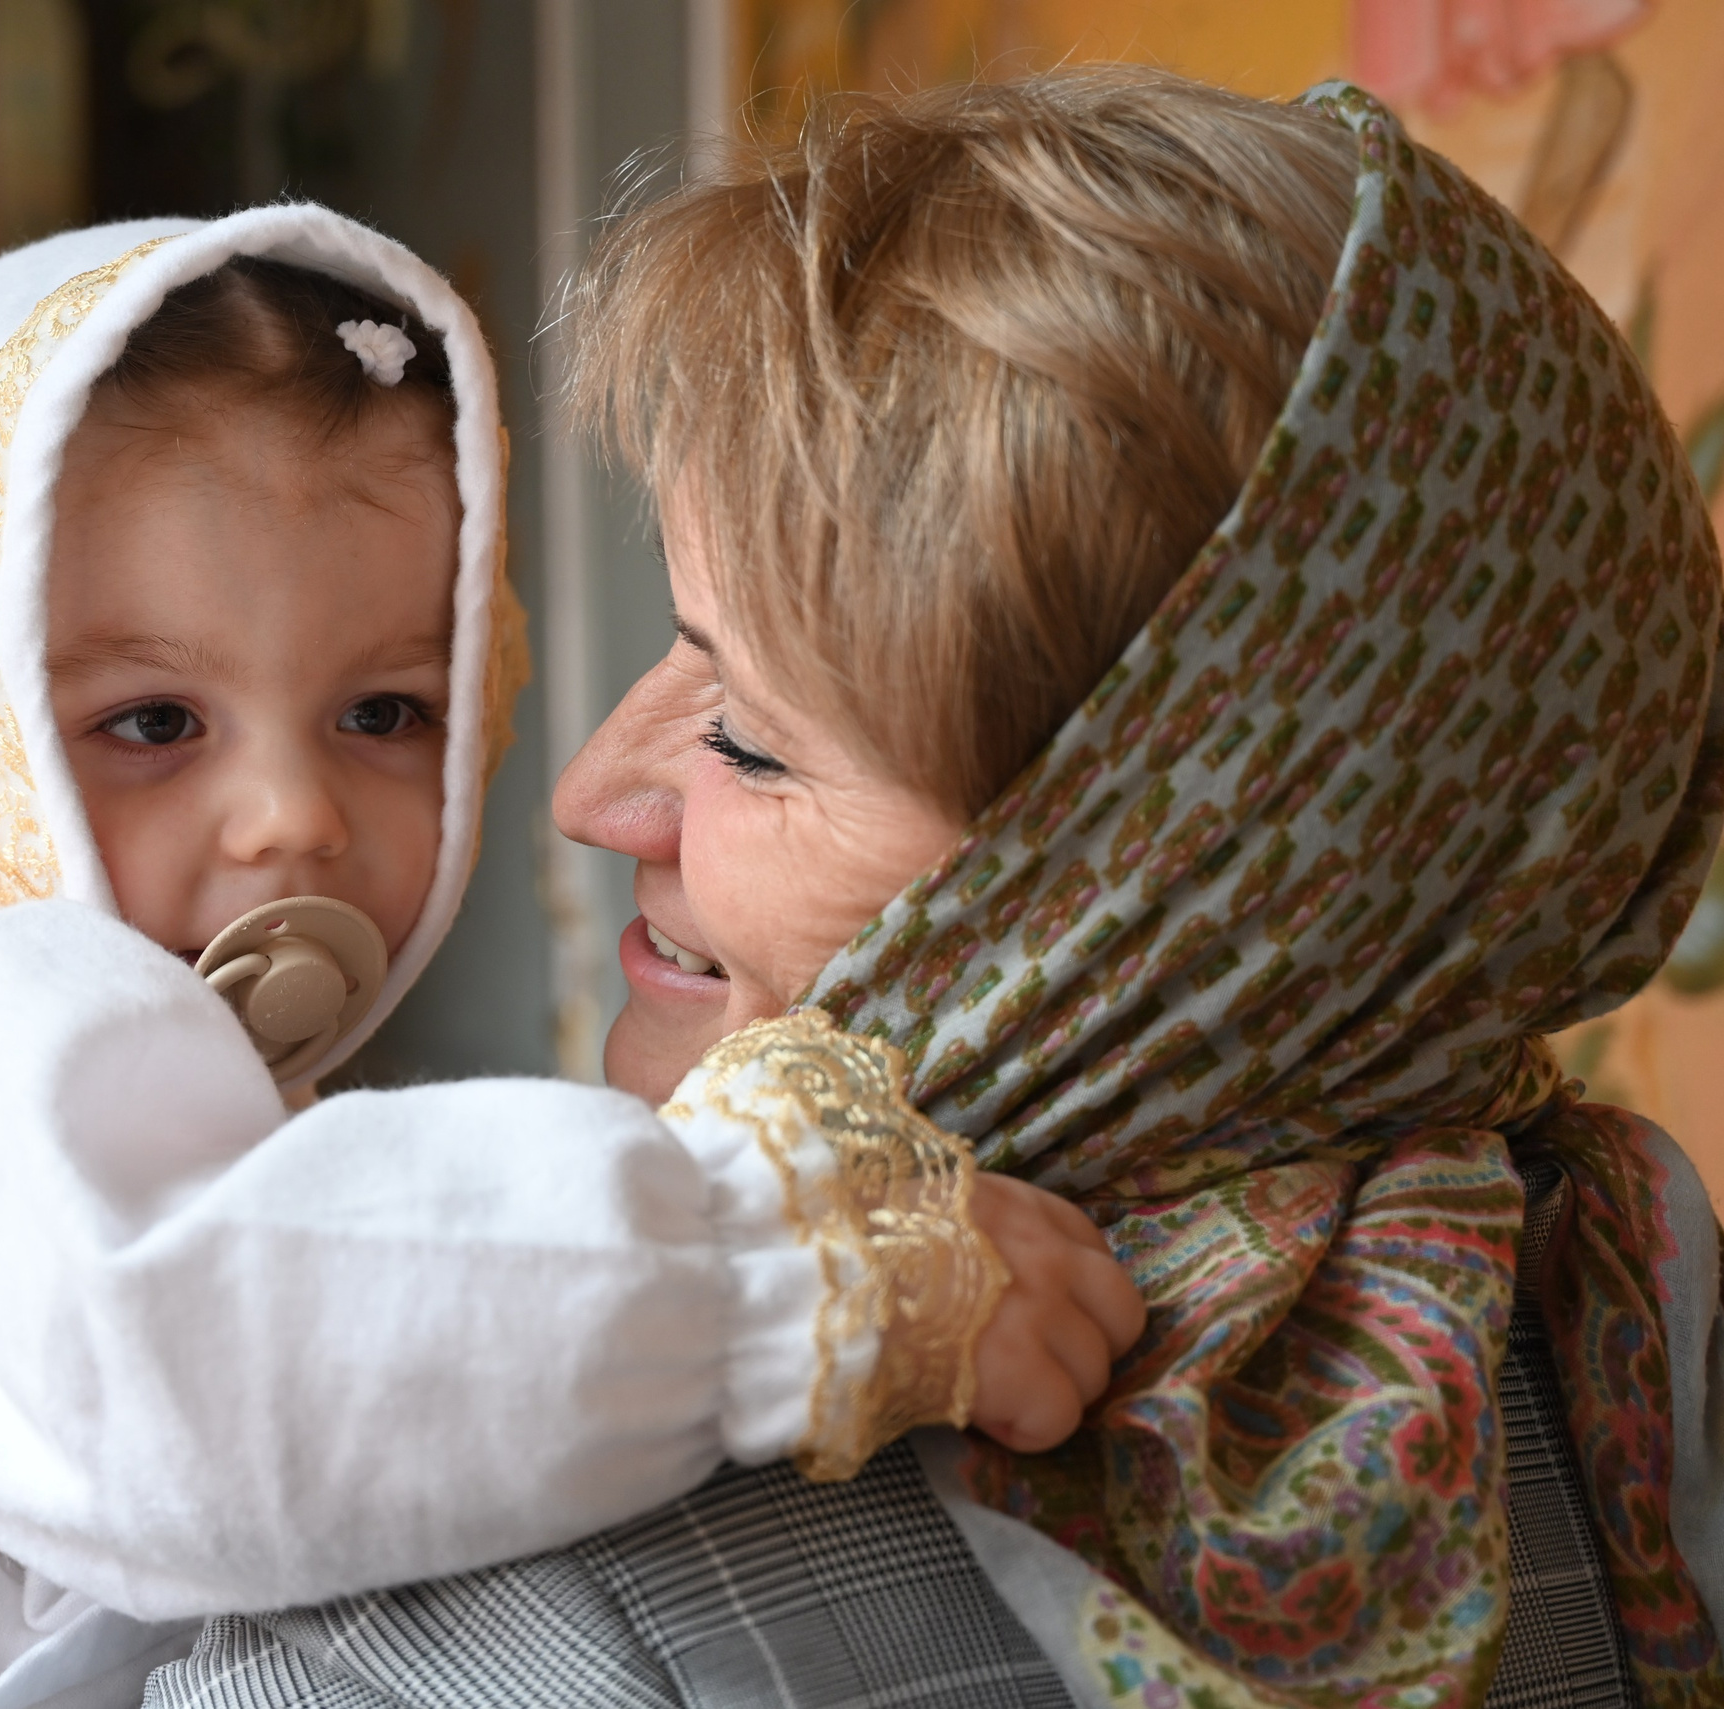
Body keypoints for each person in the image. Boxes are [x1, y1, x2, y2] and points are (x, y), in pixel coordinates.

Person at [145, 70, 1724, 1709]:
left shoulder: (499, 1592)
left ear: (1158, 887)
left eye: (749, 739)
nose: (592, 795)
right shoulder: (1623, 1336)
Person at [0, 209, 1142, 1709]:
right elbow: (208, 1392)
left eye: (382, 713)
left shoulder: (208, 1091)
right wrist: (800, 1268)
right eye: (153, 723)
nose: (293, 814)